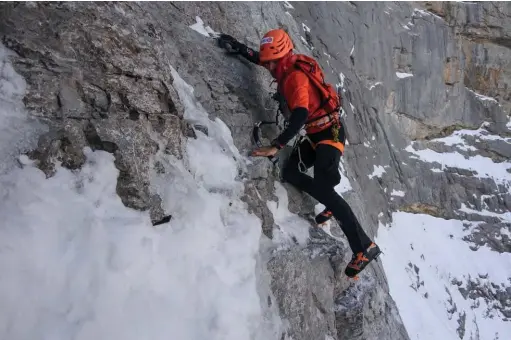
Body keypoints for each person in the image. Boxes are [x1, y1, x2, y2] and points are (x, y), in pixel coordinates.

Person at [218, 29, 381, 278]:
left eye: (272, 62)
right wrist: (239, 47)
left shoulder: (294, 78)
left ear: (281, 57)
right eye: (268, 61)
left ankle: (364, 247)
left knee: (326, 190)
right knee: (292, 173)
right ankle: (329, 201)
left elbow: (300, 116)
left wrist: (277, 145)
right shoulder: (285, 62)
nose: (269, 66)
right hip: (317, 133)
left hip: (331, 133)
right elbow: (260, 59)